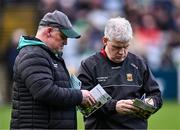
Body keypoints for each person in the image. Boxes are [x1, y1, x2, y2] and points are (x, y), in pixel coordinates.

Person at [10, 10, 96, 129]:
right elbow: (45, 92)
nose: (66, 42)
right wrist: (79, 96)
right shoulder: (33, 55)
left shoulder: (46, 54)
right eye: (63, 36)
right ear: (49, 31)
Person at [77, 16, 163, 129]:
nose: (122, 52)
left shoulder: (139, 63)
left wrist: (150, 103)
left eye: (126, 46)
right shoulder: (89, 65)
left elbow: (156, 95)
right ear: (105, 40)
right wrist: (114, 106)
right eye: (116, 47)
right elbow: (84, 102)